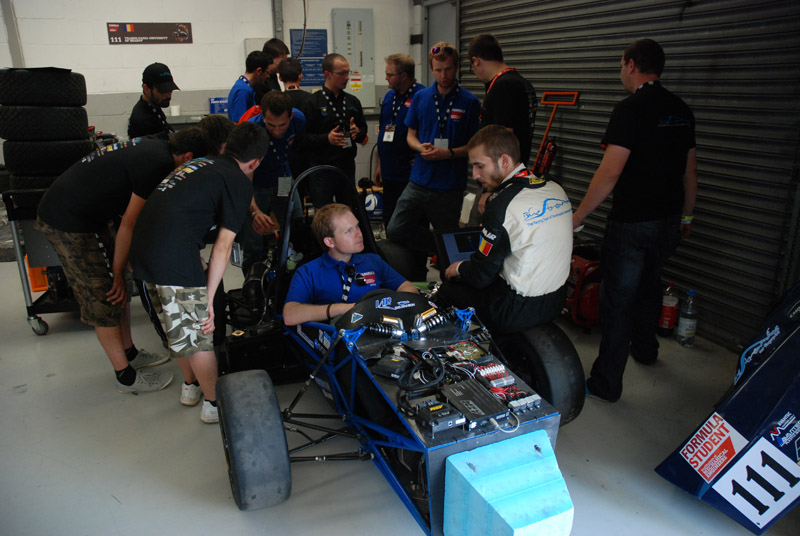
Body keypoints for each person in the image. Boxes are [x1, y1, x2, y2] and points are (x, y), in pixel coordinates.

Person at [35, 128, 212, 394]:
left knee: (120, 289)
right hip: (67, 221)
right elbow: (130, 222)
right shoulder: (158, 164)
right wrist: (117, 271)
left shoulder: (160, 145)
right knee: (104, 295)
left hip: (91, 216)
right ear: (187, 156)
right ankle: (125, 376)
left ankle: (130, 352)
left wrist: (124, 267)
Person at [571, 39, 697, 403]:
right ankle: (646, 349)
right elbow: (690, 172)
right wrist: (687, 215)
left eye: (620, 65)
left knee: (618, 300)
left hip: (632, 224)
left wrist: (577, 216)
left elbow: (609, 173)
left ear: (630, 65)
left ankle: (606, 383)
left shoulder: (629, 109)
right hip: (669, 220)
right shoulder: (681, 110)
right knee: (650, 285)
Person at [130, 122, 268, 423]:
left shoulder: (201, 164)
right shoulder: (238, 180)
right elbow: (223, 247)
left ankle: (190, 387)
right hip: (171, 256)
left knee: (177, 326)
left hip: (142, 250)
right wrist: (207, 299)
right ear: (255, 162)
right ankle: (214, 404)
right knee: (200, 332)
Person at [439, 125, 572, 333]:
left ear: (504, 160)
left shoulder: (502, 205)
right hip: (556, 301)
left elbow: (481, 276)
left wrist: (458, 268)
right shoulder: (555, 188)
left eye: (480, 166)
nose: (475, 175)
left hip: (516, 310)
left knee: (448, 287)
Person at [385, 42, 480, 273]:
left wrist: (448, 153)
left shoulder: (469, 101)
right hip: (419, 180)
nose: (443, 75)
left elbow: (475, 146)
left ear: (456, 67)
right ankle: (437, 247)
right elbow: (410, 136)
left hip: (449, 187)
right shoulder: (421, 97)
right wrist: (420, 147)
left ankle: (448, 273)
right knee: (395, 228)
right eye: (438, 70)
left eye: (448, 69)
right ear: (431, 69)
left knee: (449, 249)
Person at [283, 203, 418, 326]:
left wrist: (389, 307)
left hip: (381, 330)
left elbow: (409, 289)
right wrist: (343, 309)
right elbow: (290, 315)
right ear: (330, 242)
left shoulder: (373, 261)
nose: (359, 234)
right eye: (348, 231)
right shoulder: (309, 272)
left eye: (357, 226)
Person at [467, 34, 538, 223]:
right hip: (512, 177)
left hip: (498, 181)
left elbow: (503, 143)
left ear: (476, 61)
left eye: (472, 67)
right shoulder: (521, 83)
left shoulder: (503, 87)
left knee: (478, 231)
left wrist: (490, 191)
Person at [239, 91, 307, 275]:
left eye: (282, 125)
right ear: (263, 117)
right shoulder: (251, 131)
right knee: (254, 238)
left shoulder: (299, 121)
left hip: (283, 179)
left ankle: (294, 278)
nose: (277, 131)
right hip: (256, 184)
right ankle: (253, 282)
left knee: (296, 229)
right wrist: (255, 211)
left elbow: (299, 150)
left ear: (290, 116)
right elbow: (245, 176)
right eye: (271, 125)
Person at [304, 53, 368, 208]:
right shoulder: (312, 102)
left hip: (346, 166)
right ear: (328, 74)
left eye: (348, 72)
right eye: (342, 73)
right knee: (323, 212)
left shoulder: (353, 101)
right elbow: (303, 139)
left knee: (348, 210)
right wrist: (327, 139)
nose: (347, 77)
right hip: (322, 169)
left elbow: (363, 131)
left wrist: (357, 132)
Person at [374, 53, 425, 227]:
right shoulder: (390, 97)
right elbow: (383, 131)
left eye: (390, 75)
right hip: (389, 171)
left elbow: (427, 132)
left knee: (412, 221)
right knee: (390, 219)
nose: (386, 78)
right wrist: (380, 164)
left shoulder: (422, 95)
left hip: (410, 175)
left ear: (403, 76)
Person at [278, 57, 314, 179]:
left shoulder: (275, 101)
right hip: (307, 160)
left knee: (285, 189)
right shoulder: (311, 100)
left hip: (283, 160)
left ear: (280, 78)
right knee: (305, 189)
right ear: (300, 76)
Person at [128, 62, 180, 139]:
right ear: (146, 89)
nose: (168, 96)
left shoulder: (154, 107)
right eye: (162, 91)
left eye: (170, 90)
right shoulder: (142, 120)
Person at [227, 50, 275, 122]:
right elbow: (239, 122)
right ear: (259, 71)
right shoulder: (243, 91)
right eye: (267, 72)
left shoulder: (243, 85)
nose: (268, 76)